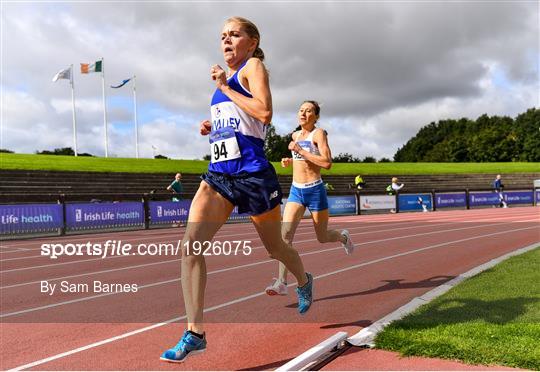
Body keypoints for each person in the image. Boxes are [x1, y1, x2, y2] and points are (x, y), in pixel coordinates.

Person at [160, 17, 313, 363]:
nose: (226, 40)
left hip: (253, 175)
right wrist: (212, 125)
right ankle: (195, 332)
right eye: (222, 36)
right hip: (219, 175)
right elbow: (240, 118)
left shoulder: (252, 66)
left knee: (275, 249)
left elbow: (264, 111)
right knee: (191, 248)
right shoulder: (223, 84)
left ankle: (303, 279)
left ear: (253, 41)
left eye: (234, 34)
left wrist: (226, 87)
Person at [265, 101, 355, 296]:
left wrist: (301, 152)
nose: (304, 113)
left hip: (315, 190)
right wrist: (288, 160)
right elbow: (300, 161)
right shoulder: (295, 135)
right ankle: (281, 282)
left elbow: (327, 162)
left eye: (309, 111)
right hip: (296, 190)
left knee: (322, 237)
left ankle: (343, 237)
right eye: (301, 110)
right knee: (284, 236)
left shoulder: (319, 134)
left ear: (316, 116)